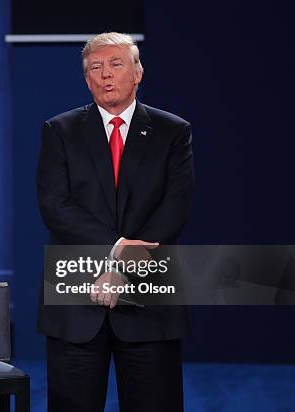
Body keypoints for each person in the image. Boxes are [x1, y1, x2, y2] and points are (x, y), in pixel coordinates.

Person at [36, 32, 194, 412]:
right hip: (77, 298)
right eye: (95, 68)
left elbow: (175, 208)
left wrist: (124, 266)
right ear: (87, 79)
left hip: (149, 300)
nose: (105, 75)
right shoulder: (59, 131)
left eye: (116, 64)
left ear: (138, 72)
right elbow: (55, 207)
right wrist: (118, 247)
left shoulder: (173, 131)